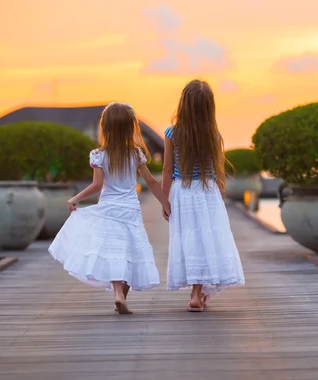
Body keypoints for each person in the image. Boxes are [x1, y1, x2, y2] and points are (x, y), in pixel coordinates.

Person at [48, 102, 171, 314]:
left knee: (114, 251)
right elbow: (150, 182)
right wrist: (166, 203)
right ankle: (121, 295)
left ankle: (118, 295)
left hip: (108, 209)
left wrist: (75, 198)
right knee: (131, 251)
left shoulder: (99, 155)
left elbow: (97, 185)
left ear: (104, 127)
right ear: (131, 127)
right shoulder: (136, 154)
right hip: (130, 210)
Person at [162, 79, 245, 312]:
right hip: (207, 192)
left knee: (190, 239)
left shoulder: (171, 133)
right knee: (207, 239)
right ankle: (198, 293)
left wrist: (164, 199)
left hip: (183, 191)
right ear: (209, 106)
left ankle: (198, 291)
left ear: (183, 104)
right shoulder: (214, 135)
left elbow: (167, 170)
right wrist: (220, 194)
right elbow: (218, 171)